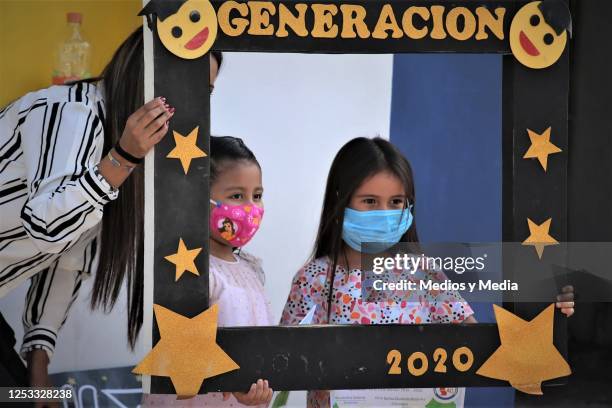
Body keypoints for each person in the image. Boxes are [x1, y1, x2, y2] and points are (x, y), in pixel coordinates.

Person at [0, 26, 223, 392]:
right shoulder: (72, 111)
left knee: (22, 396)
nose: (195, 100)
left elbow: (67, 258)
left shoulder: (125, 151)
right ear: (147, 69)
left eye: (207, 91)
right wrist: (122, 159)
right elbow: (46, 224)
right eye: (187, 82)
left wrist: (38, 358)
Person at [280, 137, 575, 407]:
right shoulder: (313, 279)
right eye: (370, 202)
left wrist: (546, 316)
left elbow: (480, 346)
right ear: (340, 200)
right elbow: (281, 362)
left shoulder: (423, 275)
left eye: (396, 202)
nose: (385, 213)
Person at [142, 136, 273, 407]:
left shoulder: (252, 269)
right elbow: (179, 368)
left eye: (257, 196)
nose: (250, 208)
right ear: (199, 199)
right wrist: (232, 383)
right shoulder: (190, 271)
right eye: (237, 196)